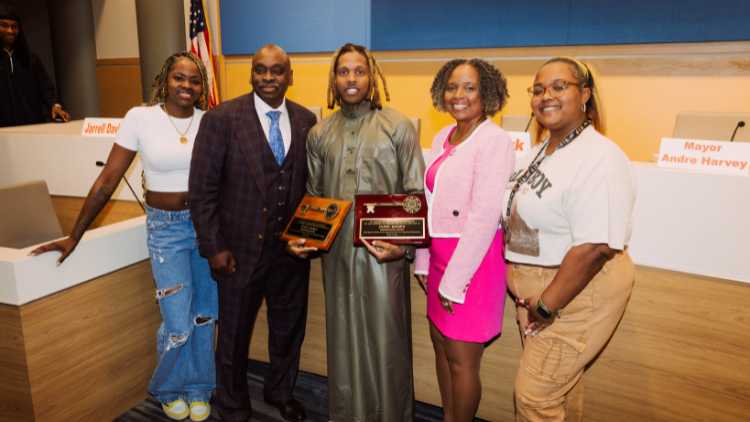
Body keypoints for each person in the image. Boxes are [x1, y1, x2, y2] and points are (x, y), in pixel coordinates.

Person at [31, 52, 216, 422]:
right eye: (179, 78)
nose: (187, 86)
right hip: (166, 228)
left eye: (194, 80)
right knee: (178, 321)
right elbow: (106, 181)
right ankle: (167, 388)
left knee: (205, 315)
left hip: (208, 224)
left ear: (202, 87)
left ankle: (198, 387)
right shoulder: (140, 118)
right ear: (164, 80)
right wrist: (75, 234)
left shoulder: (210, 121)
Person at [287, 42, 425, 422]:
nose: (351, 78)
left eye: (359, 71)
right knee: (343, 343)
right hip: (337, 258)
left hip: (384, 256)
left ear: (372, 76)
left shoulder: (397, 127)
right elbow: (314, 197)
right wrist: (305, 239)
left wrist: (402, 249)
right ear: (334, 79)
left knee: (387, 344)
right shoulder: (319, 134)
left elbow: (414, 196)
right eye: (343, 71)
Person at [188, 44, 316, 422]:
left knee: (288, 328)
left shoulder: (307, 120)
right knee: (233, 335)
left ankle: (280, 391)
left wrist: (313, 233)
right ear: (250, 74)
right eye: (260, 70)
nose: (268, 78)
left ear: (290, 76)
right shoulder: (222, 119)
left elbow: (312, 188)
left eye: (277, 71)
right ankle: (232, 403)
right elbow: (202, 189)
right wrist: (214, 247)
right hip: (237, 251)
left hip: (291, 253)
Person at [504, 56, 636, 422]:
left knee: (534, 398)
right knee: (562, 390)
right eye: (538, 89)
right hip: (538, 294)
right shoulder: (539, 153)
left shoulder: (600, 156)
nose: (546, 95)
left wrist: (546, 305)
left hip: (574, 293)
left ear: (585, 95)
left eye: (559, 86)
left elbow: (596, 246)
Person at [413, 58, 515, 421]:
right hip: (440, 259)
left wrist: (455, 282)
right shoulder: (443, 136)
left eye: (470, 87)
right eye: (453, 86)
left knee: (462, 362)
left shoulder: (495, 141)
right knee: (440, 348)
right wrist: (424, 261)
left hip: (472, 265)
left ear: (486, 93)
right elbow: (431, 203)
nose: (459, 95)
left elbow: (485, 217)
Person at [0, 4, 69, 127]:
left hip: (31, 126)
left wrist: (54, 105)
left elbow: (45, 87)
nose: (10, 30)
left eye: (14, 27)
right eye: (4, 25)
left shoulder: (30, 59)